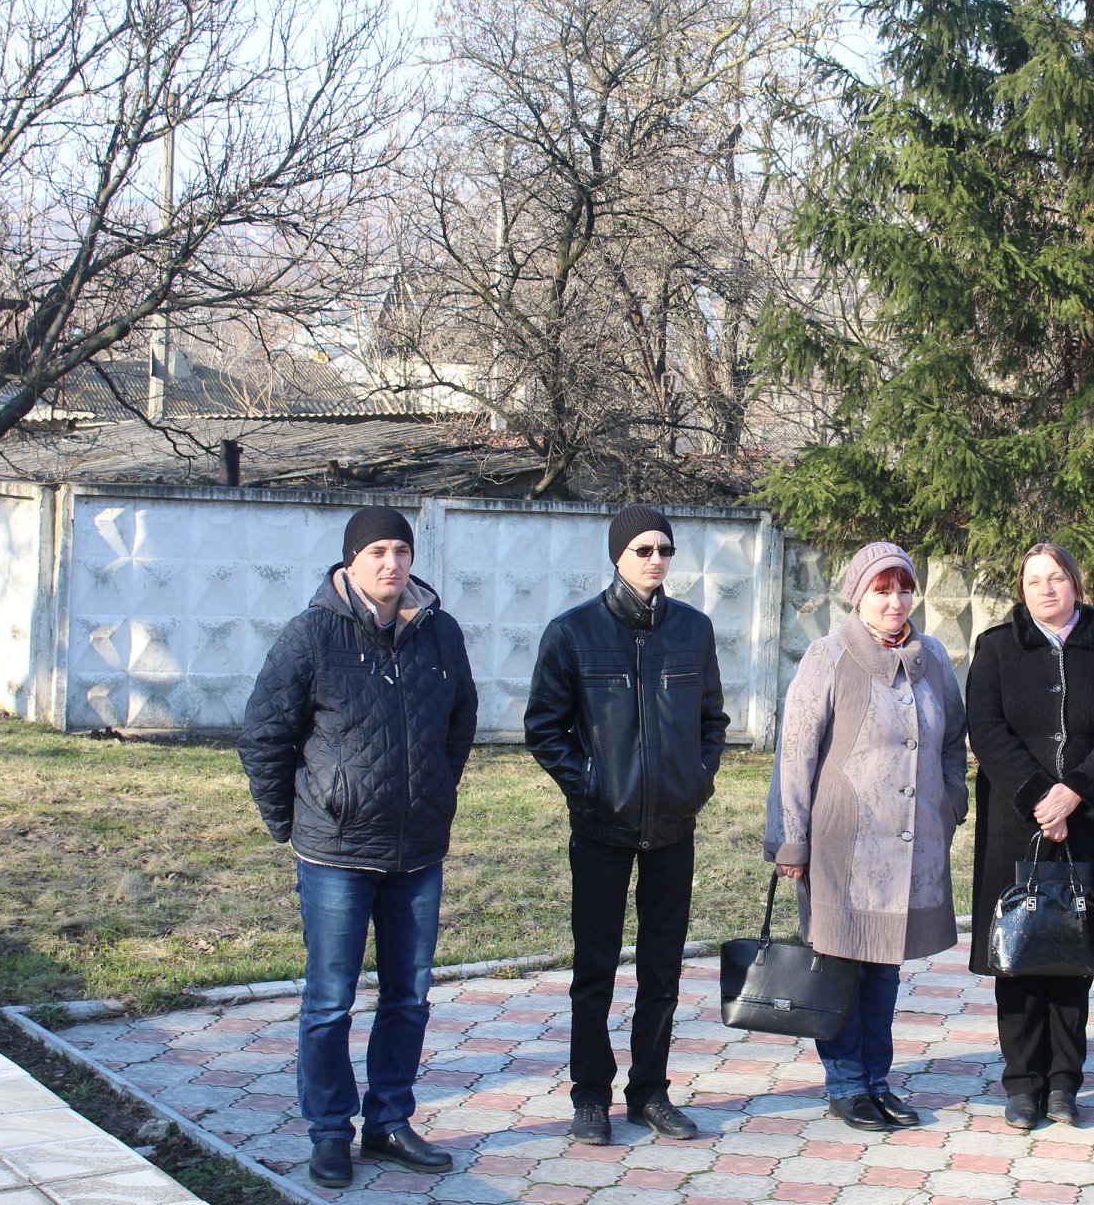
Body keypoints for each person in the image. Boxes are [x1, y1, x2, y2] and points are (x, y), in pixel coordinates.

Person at [240, 505, 479, 1190]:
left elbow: (460, 722)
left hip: (417, 852)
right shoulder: (312, 634)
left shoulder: (439, 632)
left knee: (409, 997)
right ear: (351, 561)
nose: (391, 563)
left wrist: (434, 792)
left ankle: (389, 1120)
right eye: (377, 551)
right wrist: (290, 822)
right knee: (329, 1001)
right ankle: (328, 1132)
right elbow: (263, 734)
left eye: (401, 550)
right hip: (335, 854)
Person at [524, 504, 729, 1147]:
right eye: (643, 549)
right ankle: (590, 1095)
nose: (656, 560)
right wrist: (590, 786)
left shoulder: (693, 630)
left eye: (664, 549)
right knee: (595, 971)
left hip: (672, 827)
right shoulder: (573, 632)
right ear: (618, 555)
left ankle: (650, 1092)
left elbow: (713, 719)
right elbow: (544, 728)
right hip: (601, 829)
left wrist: (696, 780)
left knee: (662, 971)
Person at [765, 541, 969, 1132]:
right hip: (841, 845)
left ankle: (877, 1082)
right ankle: (846, 1085)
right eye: (882, 591)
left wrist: (951, 800)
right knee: (842, 965)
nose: (895, 601)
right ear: (858, 596)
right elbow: (795, 754)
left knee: (884, 969)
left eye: (904, 589)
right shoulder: (827, 656)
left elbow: (953, 739)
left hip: (911, 843)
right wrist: (791, 839)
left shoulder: (933, 656)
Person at [966, 543, 1094, 1130]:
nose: (1046, 589)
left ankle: (1065, 1082)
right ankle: (1022, 1084)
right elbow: (986, 728)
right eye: (1034, 580)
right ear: (1022, 590)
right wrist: (1042, 796)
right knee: (1018, 952)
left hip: (1087, 823)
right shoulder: (995, 648)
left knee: (1071, 950)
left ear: (1075, 583)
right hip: (1015, 823)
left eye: (1057, 577)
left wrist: (1077, 792)